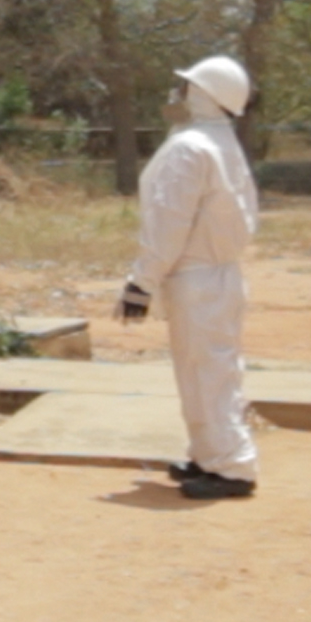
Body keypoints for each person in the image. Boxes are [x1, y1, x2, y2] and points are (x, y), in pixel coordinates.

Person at [115, 56, 259, 500]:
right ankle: (208, 454)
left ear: (204, 94)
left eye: (186, 87)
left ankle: (232, 467)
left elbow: (168, 222)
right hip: (215, 275)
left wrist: (142, 281)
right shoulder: (217, 141)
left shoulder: (190, 148)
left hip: (196, 278)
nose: (176, 95)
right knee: (206, 370)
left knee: (207, 372)